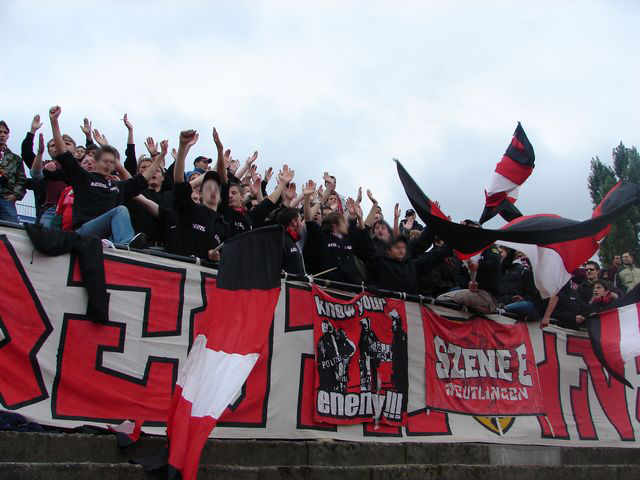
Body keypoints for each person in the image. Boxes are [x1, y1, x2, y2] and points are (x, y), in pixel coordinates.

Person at [48, 106, 164, 247]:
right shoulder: (83, 177)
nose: (108, 163)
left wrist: (161, 155)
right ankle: (126, 246)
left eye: (111, 161)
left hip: (106, 237)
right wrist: (54, 121)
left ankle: (122, 246)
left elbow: (143, 178)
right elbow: (62, 151)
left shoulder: (118, 186)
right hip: (84, 231)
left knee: (121, 210)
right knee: (120, 210)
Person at [436, 220, 501, 313]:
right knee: (442, 297)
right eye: (468, 229)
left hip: (487, 294)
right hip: (469, 291)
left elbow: (495, 263)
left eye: (474, 229)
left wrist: (478, 266)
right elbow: (458, 275)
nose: (471, 232)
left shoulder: (489, 246)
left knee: (443, 298)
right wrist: (468, 283)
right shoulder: (464, 252)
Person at [0, 120, 27, 222]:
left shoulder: (15, 159)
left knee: (12, 227)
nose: (2, 135)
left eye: (5, 132)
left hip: (5, 199)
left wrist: (15, 195)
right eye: (0, 132)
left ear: (8, 136)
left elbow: (22, 180)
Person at [278, 207, 306, 275]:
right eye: (300, 220)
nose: (301, 225)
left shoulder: (292, 240)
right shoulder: (282, 240)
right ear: (294, 222)